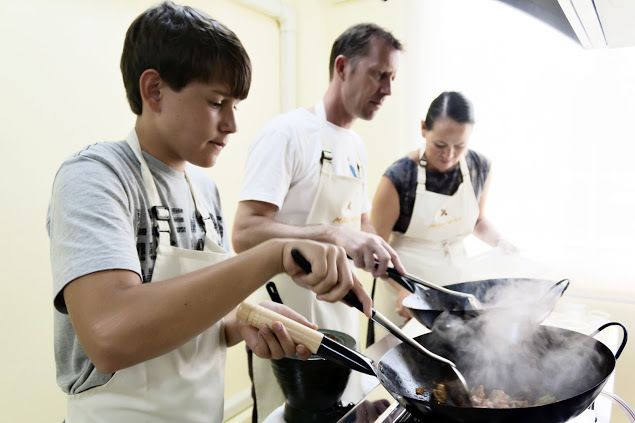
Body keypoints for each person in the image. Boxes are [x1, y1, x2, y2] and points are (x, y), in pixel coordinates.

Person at [46, 3, 371, 422]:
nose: (232, 124)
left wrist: (245, 320)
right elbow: (111, 334)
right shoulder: (96, 176)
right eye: (218, 102)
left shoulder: (203, 189)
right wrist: (272, 254)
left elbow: (192, 314)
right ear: (154, 91)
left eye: (235, 104)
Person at [232, 23, 405, 421]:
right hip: (284, 330)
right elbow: (245, 232)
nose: (388, 90)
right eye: (379, 74)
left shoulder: (356, 146)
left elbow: (358, 226)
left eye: (393, 78)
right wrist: (329, 234)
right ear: (343, 67)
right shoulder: (287, 134)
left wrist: (393, 273)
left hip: (341, 319)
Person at [371, 91, 517, 324]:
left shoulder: (479, 167)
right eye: (439, 144)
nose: (449, 155)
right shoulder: (398, 178)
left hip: (455, 286)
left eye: (459, 146)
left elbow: (477, 220)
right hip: (405, 289)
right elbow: (373, 248)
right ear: (423, 129)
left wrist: (502, 244)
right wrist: (403, 289)